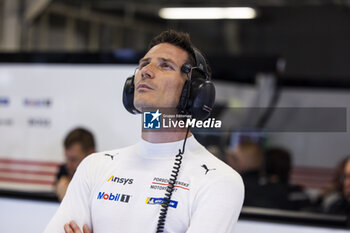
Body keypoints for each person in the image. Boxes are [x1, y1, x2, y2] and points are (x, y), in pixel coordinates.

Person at [44, 30, 244, 233]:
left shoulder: (220, 180)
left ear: (193, 92)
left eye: (165, 65)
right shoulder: (94, 167)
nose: (146, 71)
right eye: (143, 64)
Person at [55, 128, 96, 201]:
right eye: (67, 158)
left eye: (74, 159)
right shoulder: (63, 171)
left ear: (91, 154)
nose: (68, 165)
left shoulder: (103, 176)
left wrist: (68, 197)